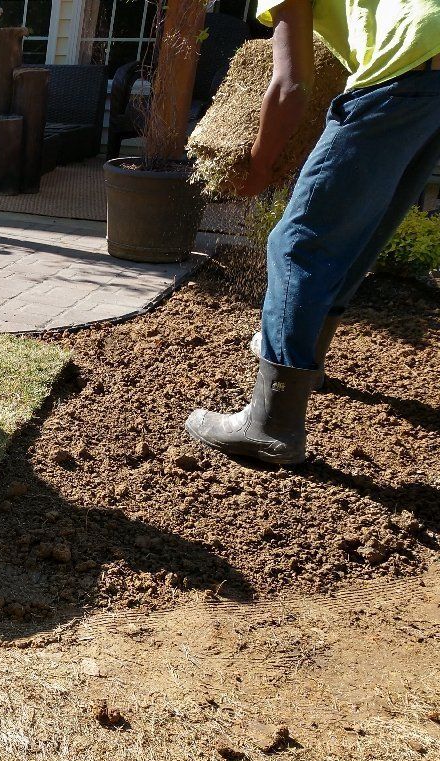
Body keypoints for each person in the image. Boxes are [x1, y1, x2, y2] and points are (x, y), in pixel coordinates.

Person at [185, 0, 440, 464]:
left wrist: (260, 167)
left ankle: (270, 423)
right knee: (365, 226)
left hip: (406, 62)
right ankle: (309, 361)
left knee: (298, 242)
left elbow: (290, 86)